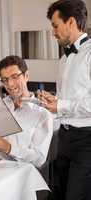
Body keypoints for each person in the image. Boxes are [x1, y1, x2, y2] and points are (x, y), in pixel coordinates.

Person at [38, 0, 91, 200]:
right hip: (64, 138)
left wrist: (61, 104)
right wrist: (55, 101)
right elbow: (68, 100)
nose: (52, 32)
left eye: (55, 25)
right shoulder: (63, 59)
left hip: (87, 140)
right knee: (58, 194)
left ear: (70, 22)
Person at [0, 55, 53, 169]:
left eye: (14, 77)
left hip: (16, 172)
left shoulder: (43, 114)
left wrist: (8, 148)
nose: (10, 84)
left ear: (26, 76)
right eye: (5, 80)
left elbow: (39, 159)